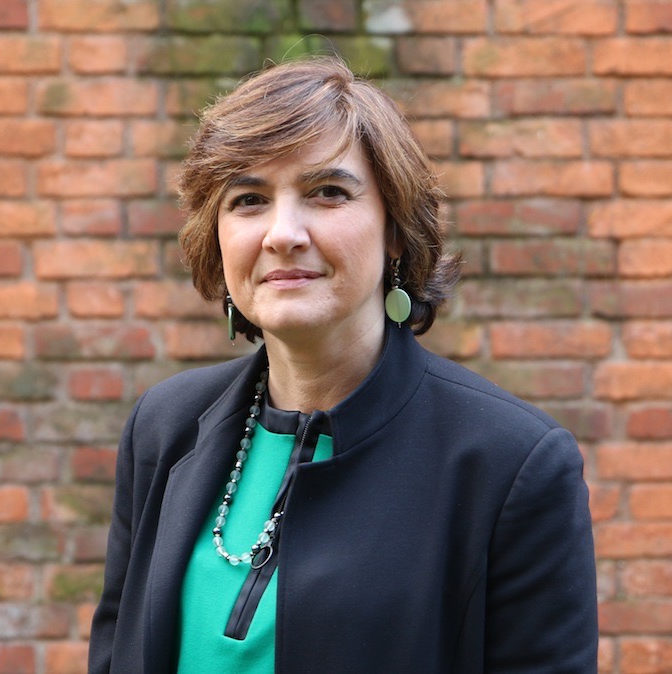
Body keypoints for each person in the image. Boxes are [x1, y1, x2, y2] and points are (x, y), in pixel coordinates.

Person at [87, 56, 597, 673]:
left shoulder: (511, 464)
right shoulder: (163, 427)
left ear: (394, 229)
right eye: (249, 199)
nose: (283, 233)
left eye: (327, 192)